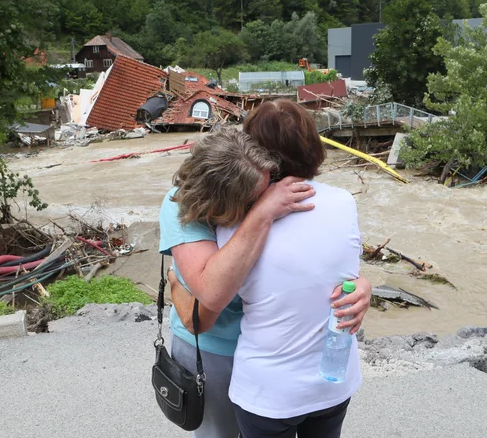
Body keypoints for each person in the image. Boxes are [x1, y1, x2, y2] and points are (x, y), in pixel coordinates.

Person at [159, 126, 371, 437]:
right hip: (216, 351)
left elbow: (313, 259)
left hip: (269, 350)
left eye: (269, 182)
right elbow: (202, 313)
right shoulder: (182, 206)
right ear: (225, 202)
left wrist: (360, 284)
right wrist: (261, 215)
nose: (270, 192)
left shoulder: (269, 189)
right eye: (257, 196)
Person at [218, 99, 363, 438]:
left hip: (267, 391)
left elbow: (218, 293)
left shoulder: (233, 219)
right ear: (313, 144)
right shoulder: (344, 202)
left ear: (251, 152)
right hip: (333, 382)